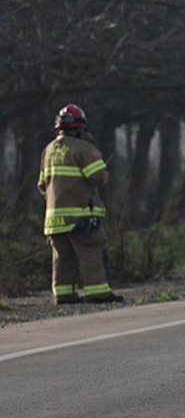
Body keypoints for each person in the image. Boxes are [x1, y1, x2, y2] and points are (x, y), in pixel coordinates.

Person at [38, 104, 122, 304]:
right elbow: (98, 177)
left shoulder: (48, 150)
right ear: (81, 127)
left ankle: (64, 295)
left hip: (53, 219)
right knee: (91, 252)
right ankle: (98, 292)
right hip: (81, 216)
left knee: (62, 258)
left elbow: (42, 185)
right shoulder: (83, 148)